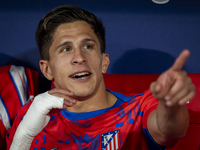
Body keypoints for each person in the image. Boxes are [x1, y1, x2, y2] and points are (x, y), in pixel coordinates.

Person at [6, 5, 195, 150]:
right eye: (66, 49)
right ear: (47, 69)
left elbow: (169, 129)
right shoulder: (30, 115)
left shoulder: (139, 109)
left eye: (88, 46)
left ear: (104, 62)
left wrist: (171, 104)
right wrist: (24, 137)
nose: (79, 57)